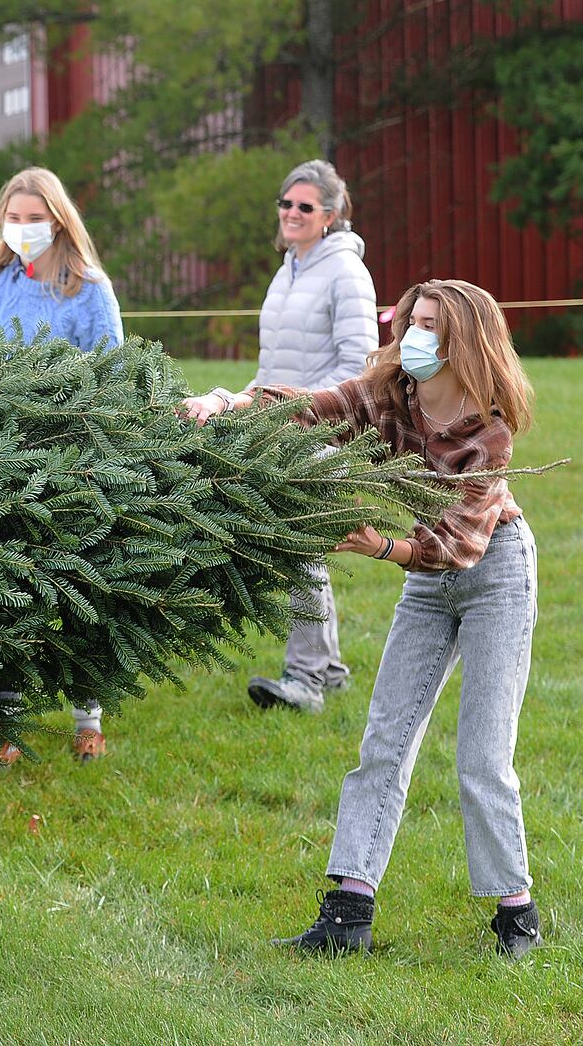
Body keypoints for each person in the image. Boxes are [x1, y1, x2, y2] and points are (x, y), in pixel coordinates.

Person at [181, 279, 542, 960]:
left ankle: (515, 911)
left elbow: (456, 547)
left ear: (464, 339)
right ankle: (347, 913)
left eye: (431, 325)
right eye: (411, 320)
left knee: (482, 756)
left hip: (493, 572)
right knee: (384, 739)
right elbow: (302, 407)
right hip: (425, 578)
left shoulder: (488, 432)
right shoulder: (388, 395)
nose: (415, 335)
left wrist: (377, 544)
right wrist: (223, 403)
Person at [0, 166, 123, 764]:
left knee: (77, 587)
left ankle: (88, 717)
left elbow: (112, 378)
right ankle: (6, 722)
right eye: (15, 218)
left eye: (36, 218)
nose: (24, 228)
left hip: (73, 462)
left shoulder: (89, 290)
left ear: (58, 221)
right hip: (3, 462)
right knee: (5, 589)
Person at [246, 159, 378, 714]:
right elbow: (273, 364)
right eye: (286, 204)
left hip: (323, 433)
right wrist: (241, 402)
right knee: (298, 549)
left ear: (331, 215)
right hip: (284, 428)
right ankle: (334, 671)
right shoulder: (288, 270)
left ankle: (305, 682)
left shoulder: (346, 272)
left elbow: (358, 365)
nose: (293, 213)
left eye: (306, 206)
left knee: (301, 551)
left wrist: (296, 412)